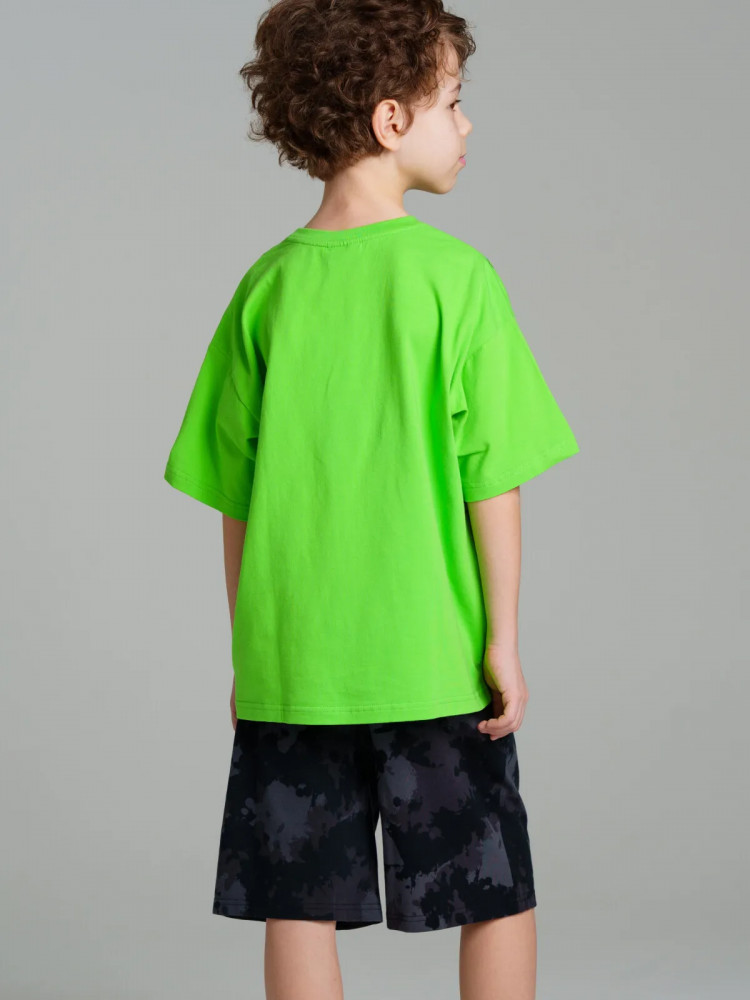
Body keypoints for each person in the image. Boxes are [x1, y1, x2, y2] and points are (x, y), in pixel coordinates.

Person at [163, 1, 579, 997]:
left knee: (299, 899)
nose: (467, 123)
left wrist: (252, 652)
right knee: (492, 890)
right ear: (393, 120)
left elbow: (237, 499)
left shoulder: (266, 289)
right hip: (434, 662)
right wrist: (503, 641)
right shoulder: (456, 280)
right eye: (454, 101)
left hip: (295, 664)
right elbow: (492, 478)